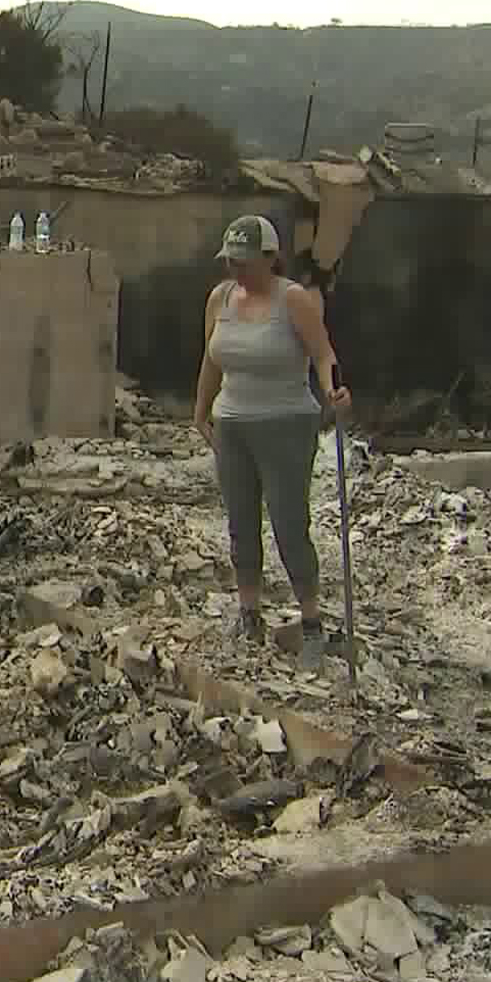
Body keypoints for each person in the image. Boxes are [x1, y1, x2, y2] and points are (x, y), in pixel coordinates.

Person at [193, 215, 352, 671]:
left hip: (286, 422)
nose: (236, 270)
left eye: (245, 262)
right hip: (233, 422)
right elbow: (211, 359)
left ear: (269, 257)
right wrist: (200, 410)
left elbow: (323, 354)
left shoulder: (293, 300)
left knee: (288, 523)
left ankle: (312, 624)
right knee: (241, 523)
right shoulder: (220, 299)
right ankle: (249, 614)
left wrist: (332, 389)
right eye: (230, 262)